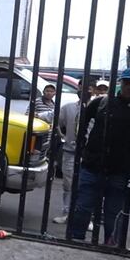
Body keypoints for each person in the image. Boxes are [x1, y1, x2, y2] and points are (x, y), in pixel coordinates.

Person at [69, 67, 130, 244]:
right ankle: (76, 240)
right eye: (127, 83)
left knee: (113, 213)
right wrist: (83, 147)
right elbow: (81, 122)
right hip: (93, 166)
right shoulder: (102, 102)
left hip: (121, 172)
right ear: (121, 83)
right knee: (83, 207)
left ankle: (110, 245)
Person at [53, 85, 84, 224]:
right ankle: (67, 213)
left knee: (87, 186)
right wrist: (63, 136)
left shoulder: (98, 107)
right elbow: (57, 122)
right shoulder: (68, 108)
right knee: (68, 184)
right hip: (70, 151)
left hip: (89, 154)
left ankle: (84, 217)